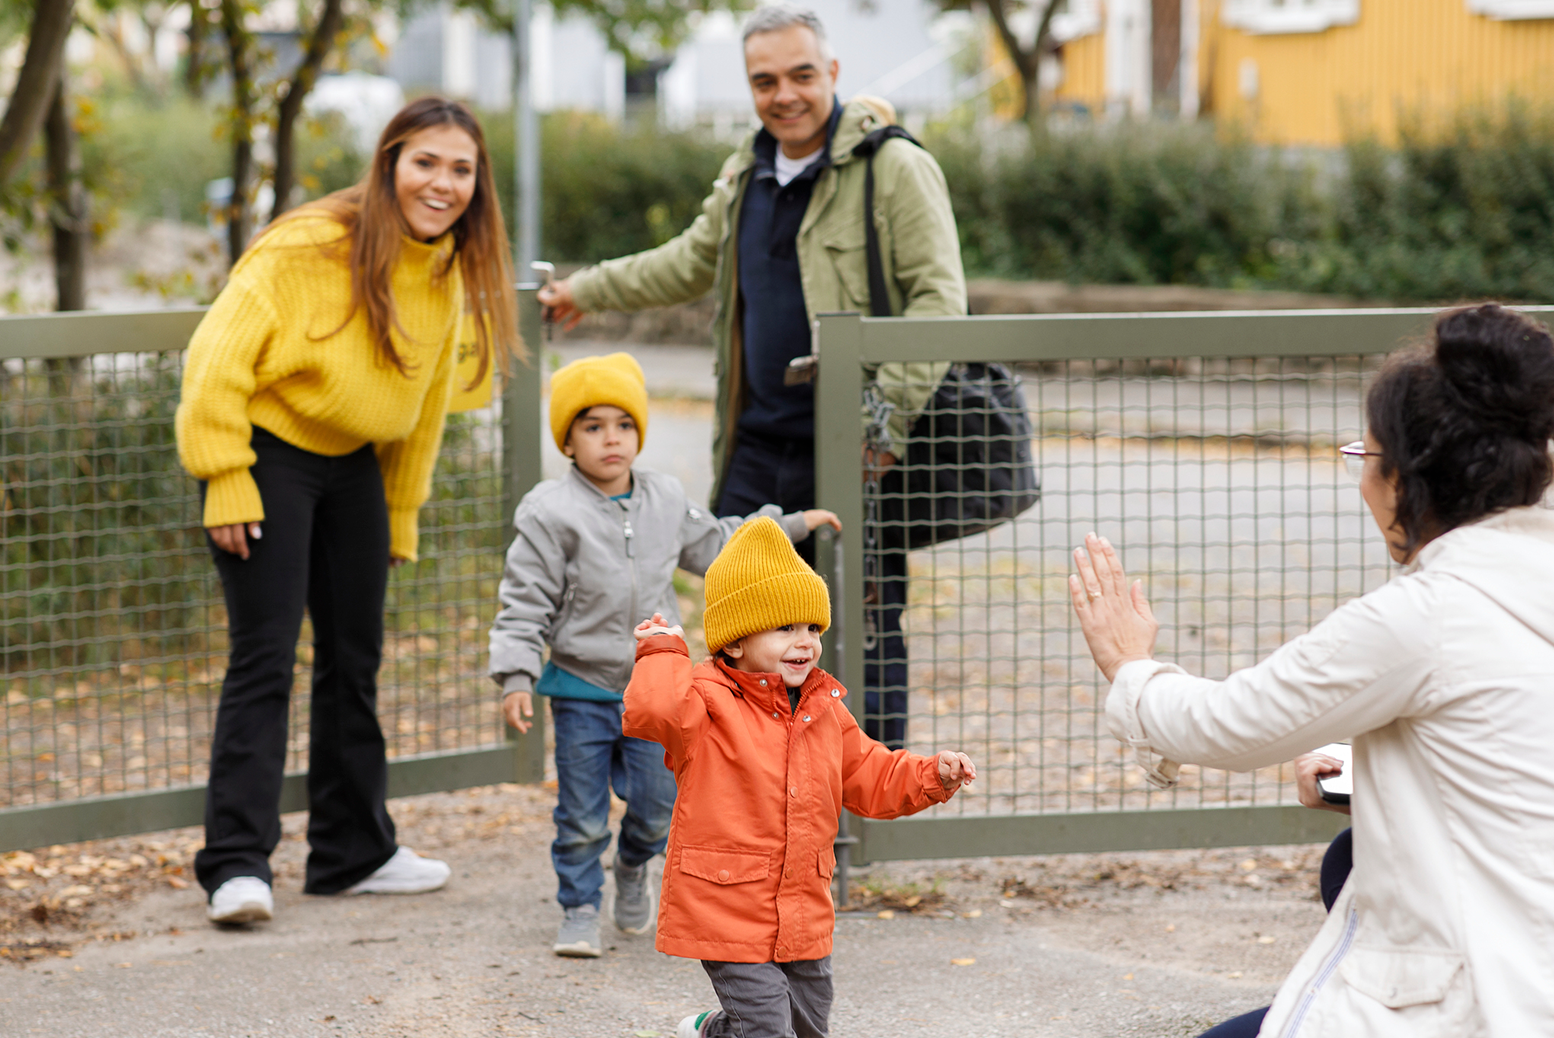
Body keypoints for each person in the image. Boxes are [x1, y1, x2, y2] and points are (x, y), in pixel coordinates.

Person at [1070, 304, 1554, 1038]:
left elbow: (1225, 723)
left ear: (1408, 476)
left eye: (1365, 454)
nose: (1361, 474)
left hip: (1545, 1016)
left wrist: (1129, 665)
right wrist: (1368, 774)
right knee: (1355, 859)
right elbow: (1525, 766)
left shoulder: (1425, 615)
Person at [537, 4, 967, 749]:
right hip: (755, 445)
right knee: (740, 628)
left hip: (854, 448)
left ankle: (860, 815)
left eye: (802, 75)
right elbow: (686, 260)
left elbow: (939, 301)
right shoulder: (746, 172)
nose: (785, 95)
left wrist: (885, 422)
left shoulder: (894, 167)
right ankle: (752, 804)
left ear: (831, 73)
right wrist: (587, 288)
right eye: (764, 81)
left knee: (859, 627)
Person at [176, 97, 521, 925]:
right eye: (425, 162)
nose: (442, 183)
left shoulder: (447, 268)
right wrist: (225, 473)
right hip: (266, 452)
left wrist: (400, 513)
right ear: (390, 162)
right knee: (265, 658)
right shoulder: (311, 243)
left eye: (460, 169)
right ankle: (236, 865)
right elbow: (214, 359)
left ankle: (351, 852)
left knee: (354, 659)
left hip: (355, 467)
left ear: (478, 184)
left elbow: (425, 407)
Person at [622, 517, 975, 1038]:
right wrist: (662, 648)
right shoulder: (705, 704)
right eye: (785, 628)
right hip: (724, 900)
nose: (804, 642)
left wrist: (933, 774)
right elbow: (650, 711)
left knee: (806, 1019)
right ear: (735, 639)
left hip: (800, 902)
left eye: (811, 629)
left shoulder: (824, 710)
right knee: (768, 1032)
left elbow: (872, 774)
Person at [487, 352, 840, 958]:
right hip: (581, 684)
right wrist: (517, 672)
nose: (610, 439)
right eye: (592, 427)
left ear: (639, 434)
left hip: (658, 686)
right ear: (568, 440)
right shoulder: (551, 512)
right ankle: (577, 906)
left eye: (623, 425)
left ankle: (632, 865)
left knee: (656, 807)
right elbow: (525, 599)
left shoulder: (665, 499)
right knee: (581, 811)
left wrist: (792, 524)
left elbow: (725, 546)